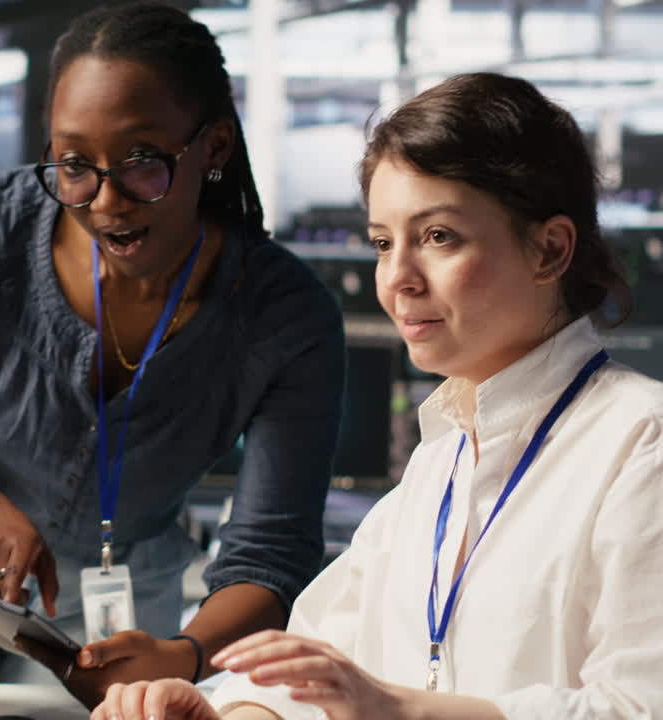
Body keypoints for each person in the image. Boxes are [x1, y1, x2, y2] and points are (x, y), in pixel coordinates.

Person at [0, 1, 346, 707]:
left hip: (116, 589)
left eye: (141, 162)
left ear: (214, 146)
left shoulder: (287, 316)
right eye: (74, 165)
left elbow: (269, 554)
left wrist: (186, 654)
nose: (105, 202)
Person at [91, 72, 663, 720]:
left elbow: (639, 707)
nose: (397, 279)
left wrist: (403, 711)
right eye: (384, 243)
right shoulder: (441, 460)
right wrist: (218, 715)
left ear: (549, 250)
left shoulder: (641, 444)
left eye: (439, 236)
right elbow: (312, 669)